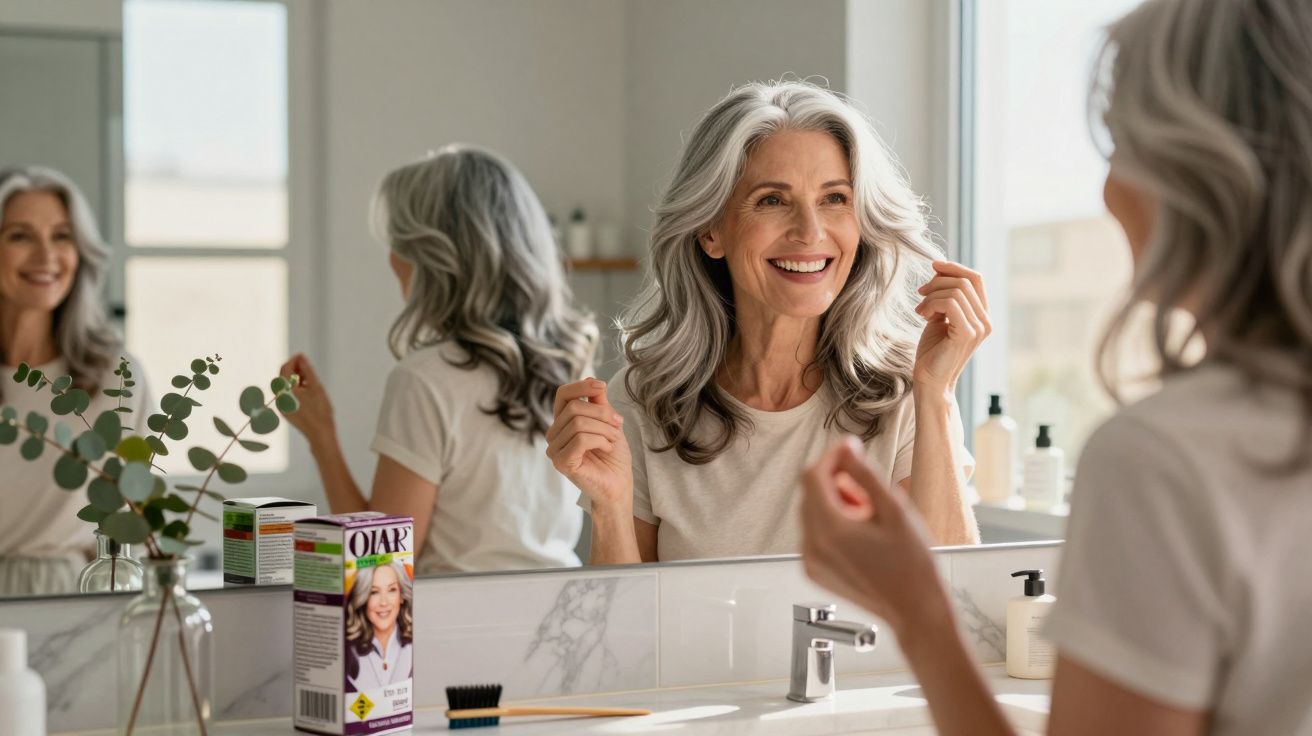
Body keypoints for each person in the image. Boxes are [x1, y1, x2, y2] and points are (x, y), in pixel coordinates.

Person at [800, 0, 1312, 733]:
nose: (1106, 190)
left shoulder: (1167, 460)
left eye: (1121, 147)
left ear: (1198, 172)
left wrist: (918, 612)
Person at [548, 80, 988, 563]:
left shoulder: (906, 393)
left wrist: (936, 395)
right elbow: (626, 611)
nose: (810, 232)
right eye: (772, 200)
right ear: (711, 231)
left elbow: (952, 592)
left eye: (835, 198)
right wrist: (610, 505)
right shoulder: (643, 401)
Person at [281, 145, 598, 575]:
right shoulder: (570, 365)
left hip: (460, 617)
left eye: (399, 244)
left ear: (431, 260)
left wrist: (321, 437)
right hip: (561, 608)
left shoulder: (426, 379)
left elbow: (382, 564)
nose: (392, 260)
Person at [0, 166, 151, 597]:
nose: (46, 255)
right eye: (20, 236)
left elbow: (137, 525)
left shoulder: (117, 379)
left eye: (62, 236)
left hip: (76, 601)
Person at [345, 560, 413, 692]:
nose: (384, 602)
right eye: (374, 592)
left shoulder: (414, 646)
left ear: (401, 596)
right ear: (363, 598)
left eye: (391, 590)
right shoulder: (347, 651)